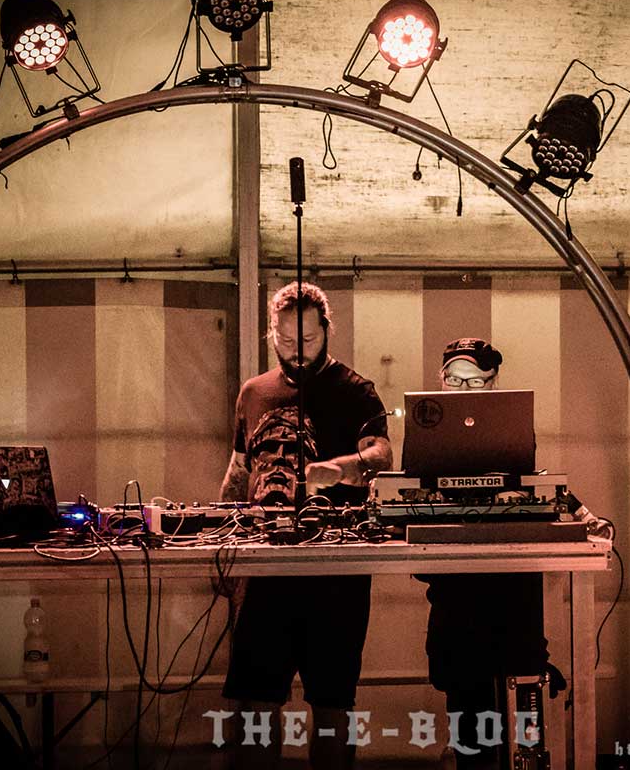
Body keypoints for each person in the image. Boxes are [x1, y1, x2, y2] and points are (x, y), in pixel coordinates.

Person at [218, 281, 392, 770]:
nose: (297, 351)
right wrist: (222, 535)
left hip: (335, 572)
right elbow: (239, 468)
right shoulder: (254, 393)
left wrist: (341, 468)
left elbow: (382, 453)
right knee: (254, 701)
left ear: (327, 331)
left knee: (333, 703)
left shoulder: (356, 391)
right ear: (271, 333)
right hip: (264, 569)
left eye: (309, 340)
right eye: (287, 340)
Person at [422, 338, 609, 770]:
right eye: (455, 381)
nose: (464, 391)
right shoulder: (428, 434)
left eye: (475, 382)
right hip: (456, 602)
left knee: (525, 712)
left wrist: (580, 514)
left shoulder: (513, 431)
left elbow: (533, 485)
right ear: (441, 381)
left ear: (494, 383)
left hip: (512, 603)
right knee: (468, 718)